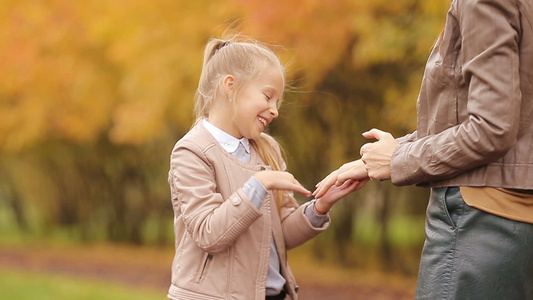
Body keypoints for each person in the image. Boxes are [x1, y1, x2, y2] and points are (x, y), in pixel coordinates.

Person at [315, 0, 533, 299]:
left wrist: (399, 159)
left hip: (479, 223)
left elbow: (492, 128)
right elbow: (512, 121)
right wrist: (394, 152)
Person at [167, 34, 367, 300]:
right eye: (268, 96)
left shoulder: (266, 149)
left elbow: (280, 233)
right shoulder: (192, 151)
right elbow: (209, 233)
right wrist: (259, 184)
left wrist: (320, 206)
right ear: (230, 86)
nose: (275, 110)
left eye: (278, 102)